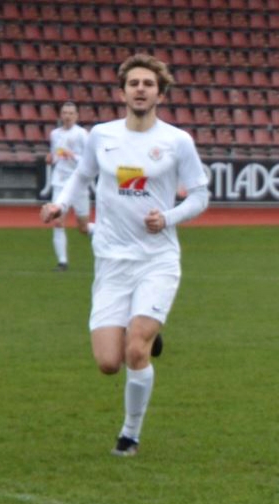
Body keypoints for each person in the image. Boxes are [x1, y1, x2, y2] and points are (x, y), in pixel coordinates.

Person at [39, 54, 208, 456]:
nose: (140, 89)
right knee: (108, 362)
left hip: (157, 259)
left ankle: (129, 434)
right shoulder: (102, 135)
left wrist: (167, 218)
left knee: (135, 351)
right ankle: (147, 333)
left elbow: (200, 195)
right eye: (134, 83)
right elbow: (81, 176)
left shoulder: (177, 141)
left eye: (148, 84)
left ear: (160, 94)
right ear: (122, 92)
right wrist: (60, 205)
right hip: (112, 260)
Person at [47, 101, 91, 272]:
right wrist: (51, 158)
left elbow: (89, 160)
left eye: (71, 113)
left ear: (77, 116)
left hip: (78, 183)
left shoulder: (82, 134)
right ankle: (62, 262)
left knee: (83, 227)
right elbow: (55, 156)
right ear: (61, 115)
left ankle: (107, 243)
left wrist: (72, 156)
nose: (68, 116)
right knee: (57, 221)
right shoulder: (55, 134)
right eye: (65, 113)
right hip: (60, 182)